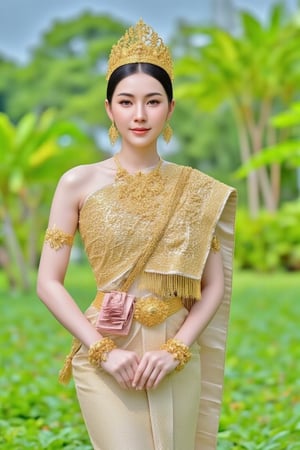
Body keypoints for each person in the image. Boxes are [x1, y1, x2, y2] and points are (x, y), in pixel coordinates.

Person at [37, 19, 237, 450]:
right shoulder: (77, 183)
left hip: (174, 353)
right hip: (105, 346)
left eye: (153, 101)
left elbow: (213, 285)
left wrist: (176, 350)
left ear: (170, 108)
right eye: (127, 101)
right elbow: (47, 282)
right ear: (109, 108)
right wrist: (103, 351)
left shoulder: (195, 188)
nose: (140, 114)